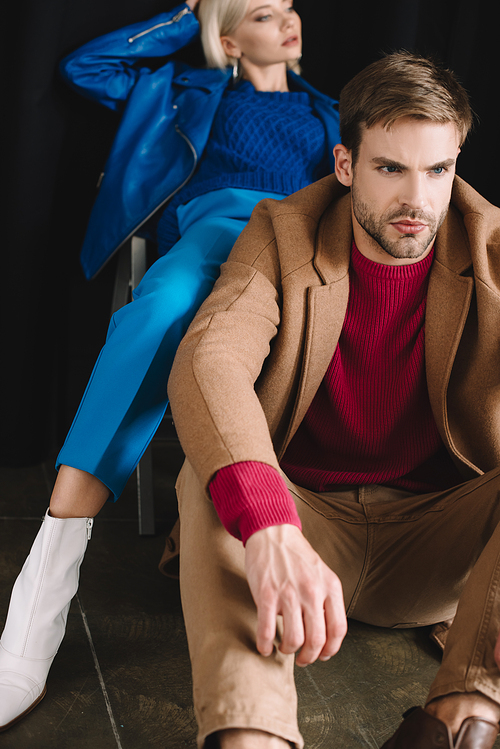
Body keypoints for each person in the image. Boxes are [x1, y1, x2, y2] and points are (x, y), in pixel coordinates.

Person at [0, 0, 341, 733]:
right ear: (226, 36)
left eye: (288, 5)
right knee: (154, 313)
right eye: (260, 12)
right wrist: (191, 22)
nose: (286, 20)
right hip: (217, 221)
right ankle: (41, 600)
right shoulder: (187, 88)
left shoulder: (333, 113)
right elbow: (85, 69)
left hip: (297, 241)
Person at [166, 51, 500, 748]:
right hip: (299, 533)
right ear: (345, 166)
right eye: (390, 168)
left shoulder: (491, 244)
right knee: (209, 475)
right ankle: (251, 735)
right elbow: (210, 359)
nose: (418, 198)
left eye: (438, 170)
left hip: (440, 546)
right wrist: (269, 523)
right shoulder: (282, 231)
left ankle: (461, 720)